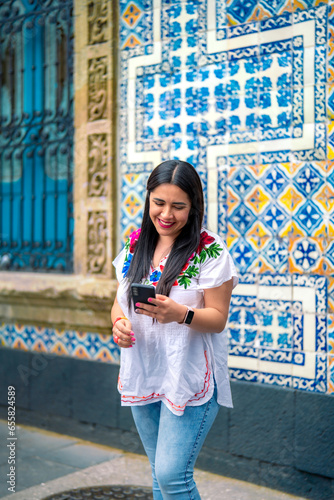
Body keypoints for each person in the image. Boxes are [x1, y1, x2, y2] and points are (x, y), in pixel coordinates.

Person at [111, 160, 238, 499]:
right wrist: (119, 323)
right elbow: (119, 302)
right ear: (148, 199)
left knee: (172, 477)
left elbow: (218, 317)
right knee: (159, 476)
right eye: (159, 203)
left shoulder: (210, 251)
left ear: (193, 206)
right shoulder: (135, 245)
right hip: (145, 370)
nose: (166, 214)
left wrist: (181, 314)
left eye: (178, 206)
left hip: (189, 377)